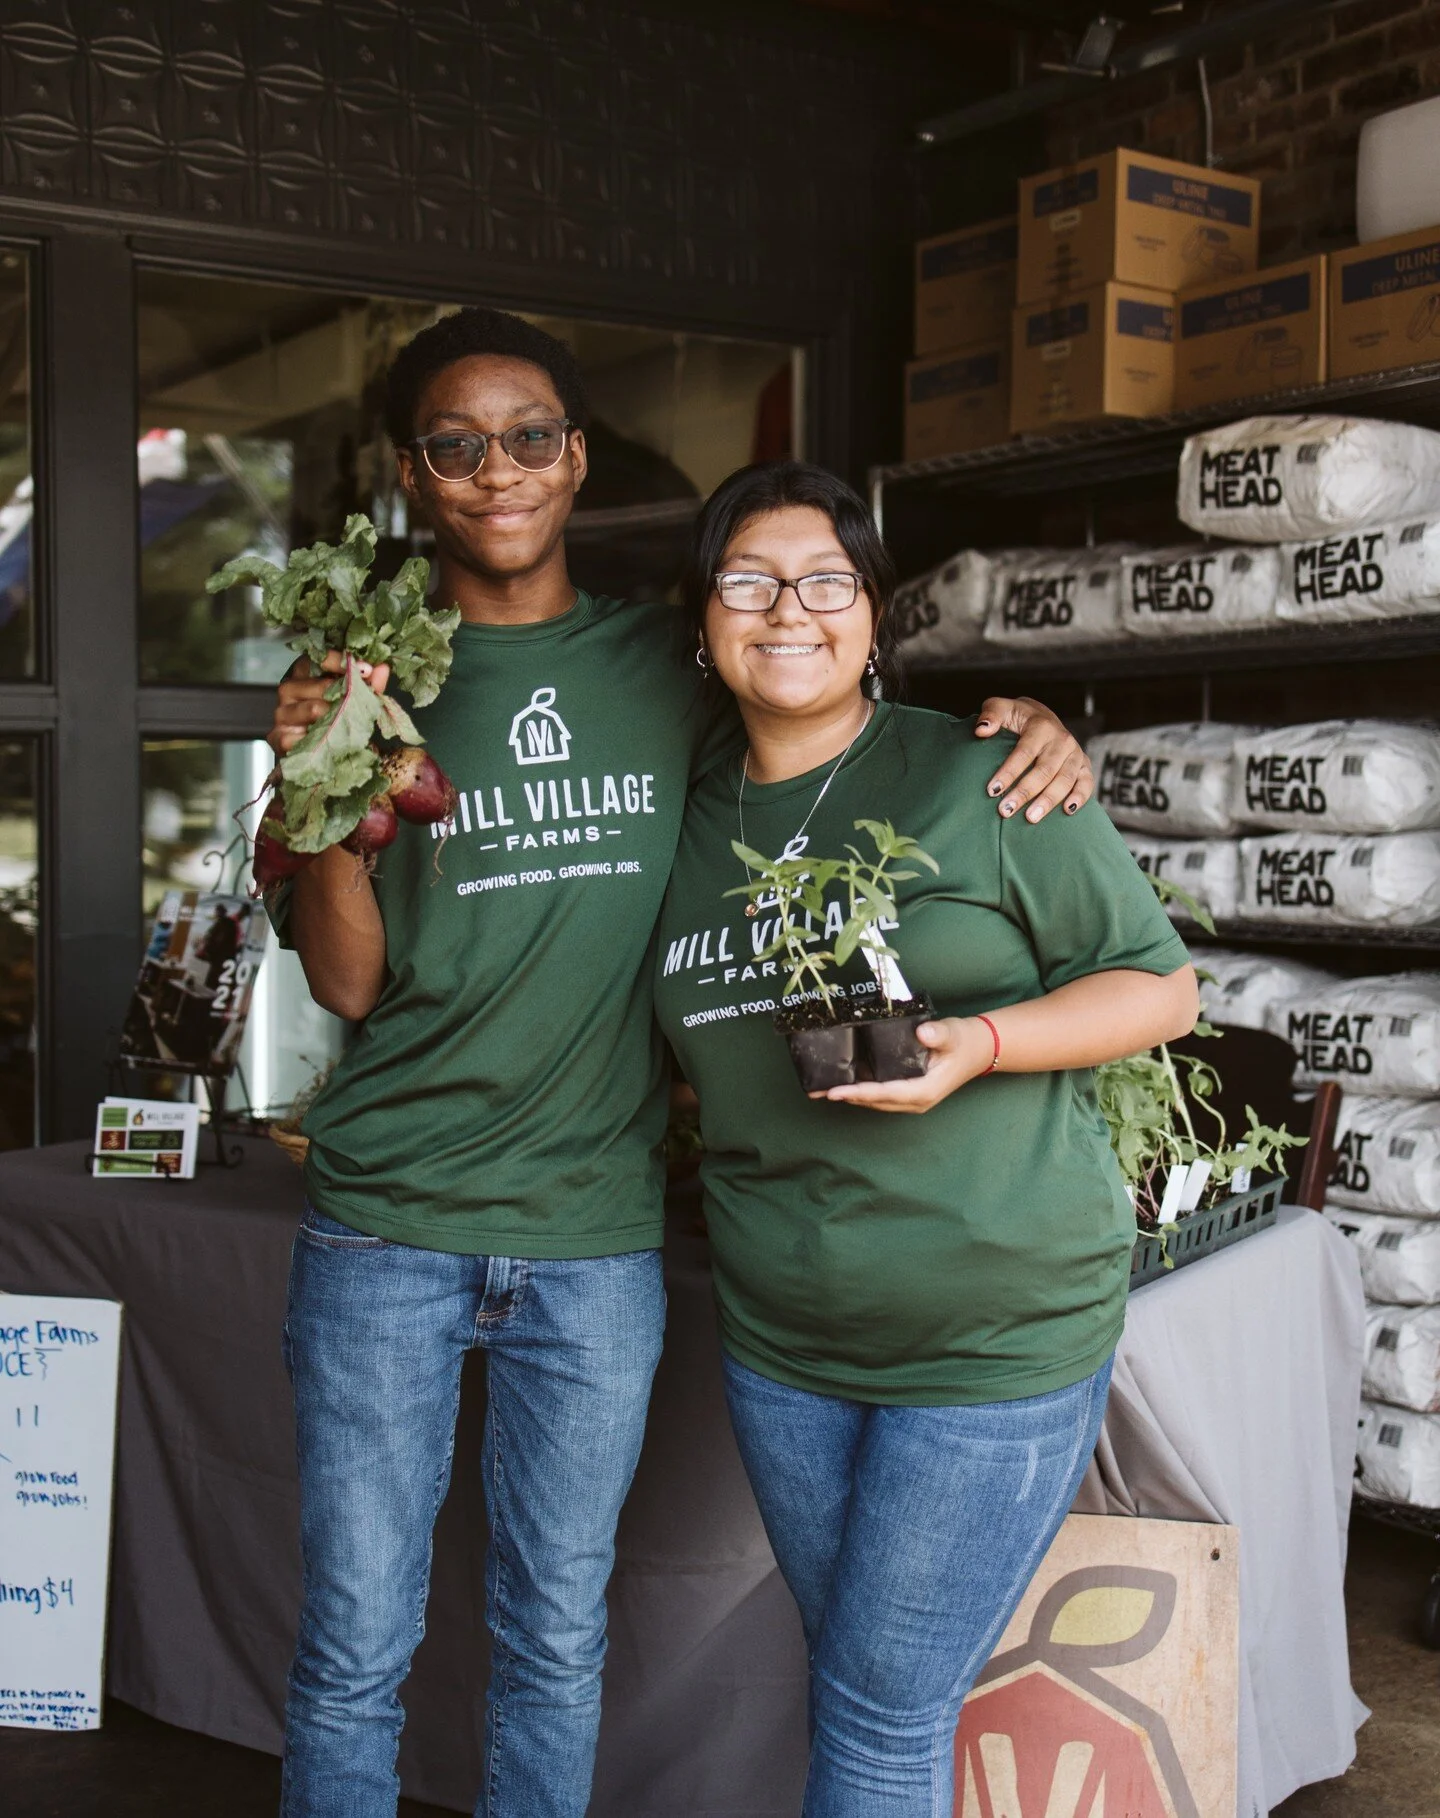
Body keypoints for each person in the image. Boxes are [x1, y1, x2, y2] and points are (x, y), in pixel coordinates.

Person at [265, 306, 1096, 1818]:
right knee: (352, 1642)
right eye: (457, 445)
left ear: (577, 457)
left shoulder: (673, 663)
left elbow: (823, 709)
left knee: (556, 1632)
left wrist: (1031, 728)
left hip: (593, 1238)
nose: (498, 471)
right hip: (385, 1221)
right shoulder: (365, 678)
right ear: (411, 473)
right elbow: (347, 980)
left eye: (530, 437)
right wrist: (320, 777)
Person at [653, 460, 1199, 1818]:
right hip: (785, 1342)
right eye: (749, 581)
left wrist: (984, 1043)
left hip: (992, 1334)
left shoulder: (985, 776)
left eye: (827, 581)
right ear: (702, 618)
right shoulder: (685, 813)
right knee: (859, 1673)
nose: (791, 610)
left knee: (882, 1705)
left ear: (875, 616)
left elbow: (1159, 985)